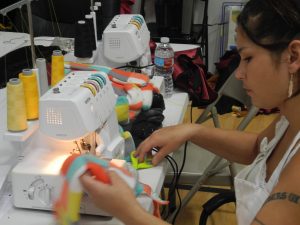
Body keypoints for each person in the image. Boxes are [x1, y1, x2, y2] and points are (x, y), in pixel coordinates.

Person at [80, 0, 300, 224]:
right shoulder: (291, 119)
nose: (239, 74)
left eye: (248, 58)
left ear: (293, 56)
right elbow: (258, 149)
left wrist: (128, 211)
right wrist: (192, 131)